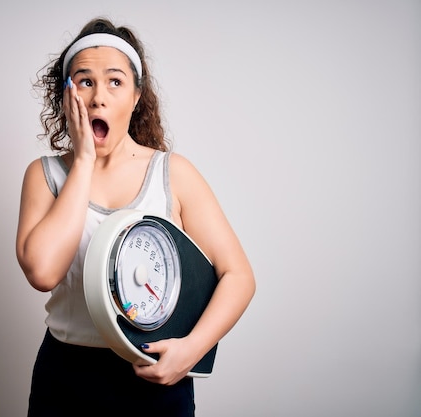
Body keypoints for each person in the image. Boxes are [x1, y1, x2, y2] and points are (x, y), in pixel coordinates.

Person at [16, 17, 255, 417]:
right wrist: (84, 162)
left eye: (114, 81)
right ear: (66, 95)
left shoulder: (172, 173)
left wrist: (190, 351)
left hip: (157, 379)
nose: (98, 98)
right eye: (84, 81)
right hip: (65, 378)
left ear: (136, 96)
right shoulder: (44, 176)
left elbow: (239, 275)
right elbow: (42, 273)